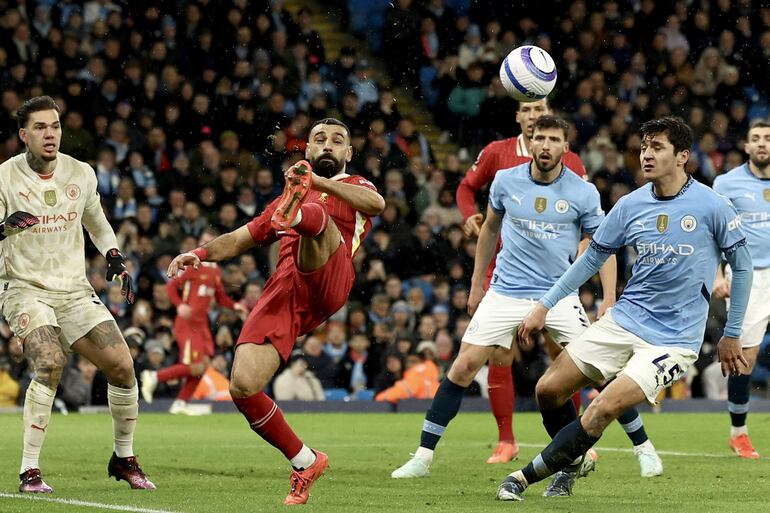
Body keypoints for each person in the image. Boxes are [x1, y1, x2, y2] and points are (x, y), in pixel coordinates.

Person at [391, 116, 660, 493]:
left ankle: (643, 447)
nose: (546, 145)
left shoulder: (583, 192)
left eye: (554, 139)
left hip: (560, 295)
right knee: (464, 365)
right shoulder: (505, 180)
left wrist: (609, 299)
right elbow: (489, 229)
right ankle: (422, 456)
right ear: (529, 142)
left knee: (598, 370)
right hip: (506, 291)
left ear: (565, 147)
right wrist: (475, 283)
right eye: (540, 138)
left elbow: (603, 248)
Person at [496, 116, 752, 501]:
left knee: (602, 407)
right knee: (547, 390)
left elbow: (743, 266)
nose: (646, 155)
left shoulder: (712, 205)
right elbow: (589, 261)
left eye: (657, 148)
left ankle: (522, 477)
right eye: (644, 147)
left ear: (682, 156)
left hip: (673, 340)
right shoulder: (629, 205)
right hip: (624, 321)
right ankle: (573, 461)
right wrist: (544, 307)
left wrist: (732, 332)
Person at [166, 118, 384, 505]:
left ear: (349, 153)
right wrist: (198, 255)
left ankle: (298, 218)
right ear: (308, 150)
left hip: (331, 274)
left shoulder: (356, 185)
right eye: (320, 140)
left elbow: (377, 205)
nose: (328, 145)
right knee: (243, 386)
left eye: (338, 141)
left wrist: (313, 186)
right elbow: (238, 239)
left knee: (318, 225)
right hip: (284, 289)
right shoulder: (287, 194)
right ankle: (305, 460)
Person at [0, 96, 154, 493]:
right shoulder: (5, 177)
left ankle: (123, 457)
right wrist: (5, 227)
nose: (49, 134)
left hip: (73, 290)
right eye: (39, 127)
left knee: (122, 366)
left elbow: (97, 224)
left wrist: (115, 257)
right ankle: (29, 470)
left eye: (54, 126)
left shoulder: (80, 173)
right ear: (23, 135)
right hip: (24, 288)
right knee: (50, 362)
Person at [455, 97, 592, 465]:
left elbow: (586, 221)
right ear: (518, 117)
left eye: (540, 109)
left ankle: (576, 436)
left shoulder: (571, 162)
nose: (534, 117)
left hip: (555, 275)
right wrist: (470, 216)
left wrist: (580, 258)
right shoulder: (496, 153)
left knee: (565, 357)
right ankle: (506, 440)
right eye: (528, 110)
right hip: (504, 270)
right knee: (500, 351)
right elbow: (466, 189)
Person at [712, 119, 770, 459]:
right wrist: (717, 273)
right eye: (756, 139)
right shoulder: (727, 183)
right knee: (744, 359)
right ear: (746, 146)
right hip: (750, 276)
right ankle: (739, 433)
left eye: (767, 138)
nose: (762, 143)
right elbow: (713, 234)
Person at [140, 228, 246, 415]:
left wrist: (235, 306)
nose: (208, 244)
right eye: (205, 241)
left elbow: (220, 297)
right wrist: (179, 305)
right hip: (187, 323)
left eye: (211, 241)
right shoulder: (191, 265)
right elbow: (171, 286)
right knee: (195, 365)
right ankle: (154, 376)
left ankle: (180, 403)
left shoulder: (215, 271)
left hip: (201, 325)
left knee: (203, 366)